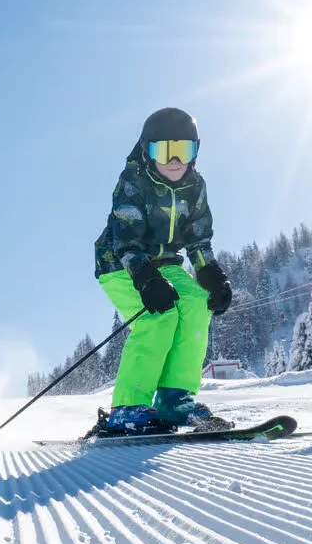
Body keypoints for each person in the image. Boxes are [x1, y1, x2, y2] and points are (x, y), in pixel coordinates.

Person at [90, 107, 234, 436]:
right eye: (164, 151)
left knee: (197, 303)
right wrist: (146, 279)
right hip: (119, 262)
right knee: (159, 317)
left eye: (183, 150)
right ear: (147, 150)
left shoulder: (195, 187)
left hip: (167, 261)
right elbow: (126, 241)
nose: (174, 161)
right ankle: (127, 407)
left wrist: (212, 276)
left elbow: (199, 241)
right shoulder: (132, 182)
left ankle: (174, 398)